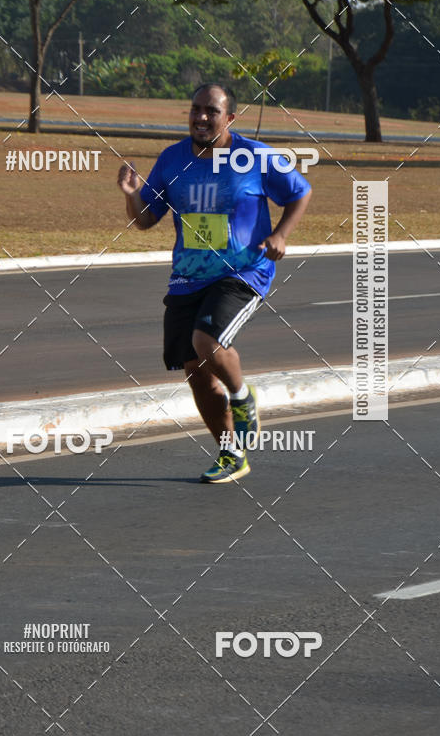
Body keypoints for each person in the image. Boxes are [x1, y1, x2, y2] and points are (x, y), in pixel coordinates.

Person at [117, 83, 312, 484]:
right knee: (195, 370)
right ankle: (230, 453)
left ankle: (243, 398)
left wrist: (281, 235)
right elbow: (145, 220)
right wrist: (132, 194)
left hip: (242, 271)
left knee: (207, 341)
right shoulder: (172, 159)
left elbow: (300, 191)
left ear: (230, 118)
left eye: (211, 111)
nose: (201, 117)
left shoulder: (252, 156)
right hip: (188, 277)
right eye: (195, 109)